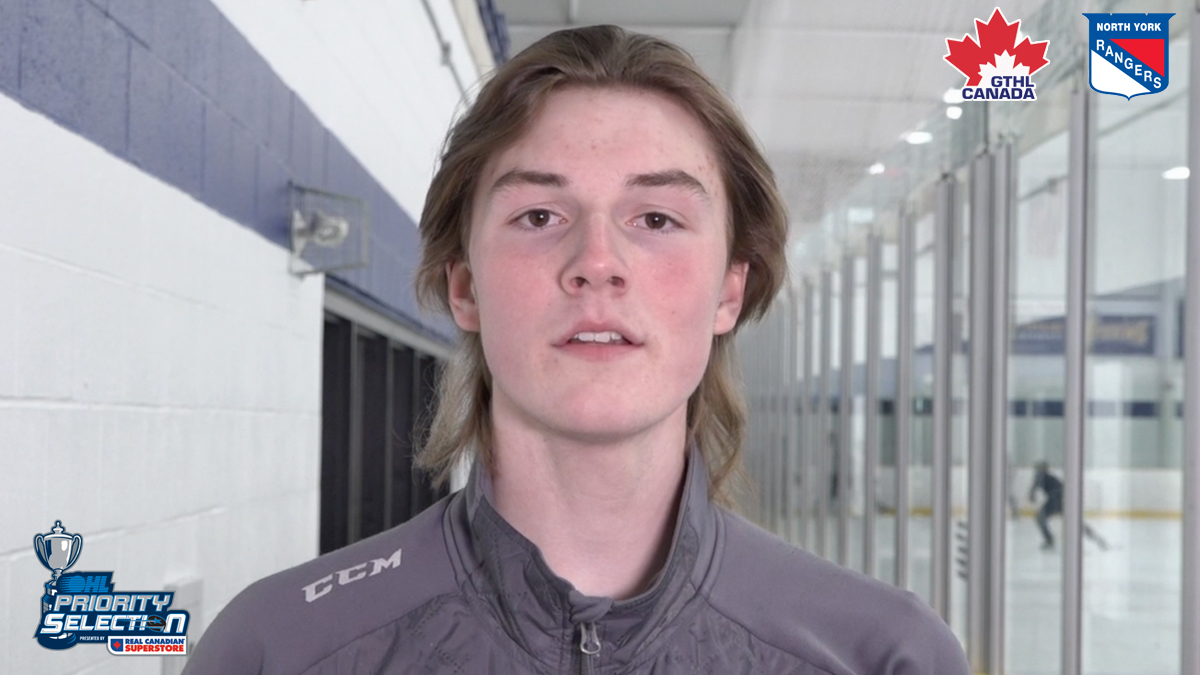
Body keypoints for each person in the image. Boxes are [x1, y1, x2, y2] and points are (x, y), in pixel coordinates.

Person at [184, 25, 969, 674]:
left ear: (730, 290)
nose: (597, 261)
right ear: (465, 286)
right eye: (539, 216)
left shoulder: (880, 655)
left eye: (656, 219)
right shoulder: (280, 648)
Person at [1029, 461, 1108, 551]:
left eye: (1038, 469)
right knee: (1076, 523)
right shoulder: (1043, 478)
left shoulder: (1046, 478)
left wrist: (1034, 495)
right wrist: (1032, 495)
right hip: (1058, 502)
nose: (1037, 472)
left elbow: (1060, 489)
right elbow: (1034, 489)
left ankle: (1097, 539)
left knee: (1042, 518)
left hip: (1058, 501)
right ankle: (1097, 539)